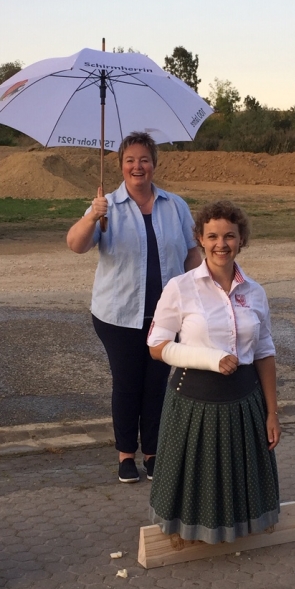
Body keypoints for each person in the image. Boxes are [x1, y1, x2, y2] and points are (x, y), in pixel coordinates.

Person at [66, 132, 202, 483]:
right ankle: (127, 454)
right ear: (121, 166)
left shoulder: (175, 206)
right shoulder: (105, 205)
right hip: (117, 314)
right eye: (130, 160)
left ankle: (154, 453)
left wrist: (203, 291)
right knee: (127, 384)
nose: (137, 166)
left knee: (157, 384)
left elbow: (191, 253)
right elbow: (76, 245)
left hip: (166, 315)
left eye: (144, 159)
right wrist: (92, 217)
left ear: (154, 164)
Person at [146, 201, 281, 543]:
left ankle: (241, 526)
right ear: (200, 240)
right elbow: (157, 346)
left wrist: (272, 412)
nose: (222, 244)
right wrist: (210, 358)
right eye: (213, 236)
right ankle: (189, 531)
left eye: (230, 236)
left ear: (241, 240)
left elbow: (264, 352)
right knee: (199, 474)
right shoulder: (181, 287)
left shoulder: (255, 291)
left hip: (244, 401)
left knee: (239, 471)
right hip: (193, 401)